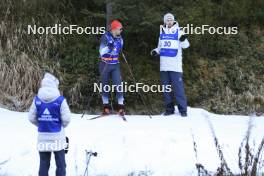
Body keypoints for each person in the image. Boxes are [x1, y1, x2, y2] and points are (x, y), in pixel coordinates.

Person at [28, 73, 71, 176]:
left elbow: (31, 118)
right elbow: (67, 119)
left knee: (44, 164)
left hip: (42, 138)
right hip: (58, 138)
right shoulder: (60, 100)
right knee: (61, 165)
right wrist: (60, 126)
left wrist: (41, 125)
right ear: (55, 85)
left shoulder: (37, 100)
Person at [150, 13, 190, 117]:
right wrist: (155, 51)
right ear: (164, 22)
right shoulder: (162, 33)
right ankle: (169, 109)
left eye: (171, 20)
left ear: (173, 21)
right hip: (164, 66)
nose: (169, 22)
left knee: (178, 89)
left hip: (175, 67)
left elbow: (186, 46)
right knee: (166, 89)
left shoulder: (179, 31)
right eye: (167, 20)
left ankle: (183, 110)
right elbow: (159, 48)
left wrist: (183, 39)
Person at [99, 19, 125, 116]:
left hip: (115, 64)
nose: (121, 31)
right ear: (113, 29)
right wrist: (108, 48)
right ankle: (106, 107)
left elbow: (120, 48)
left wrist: (117, 47)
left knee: (118, 85)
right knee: (105, 86)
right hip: (105, 64)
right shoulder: (105, 37)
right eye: (119, 29)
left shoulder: (120, 38)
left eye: (121, 29)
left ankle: (121, 107)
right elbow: (101, 52)